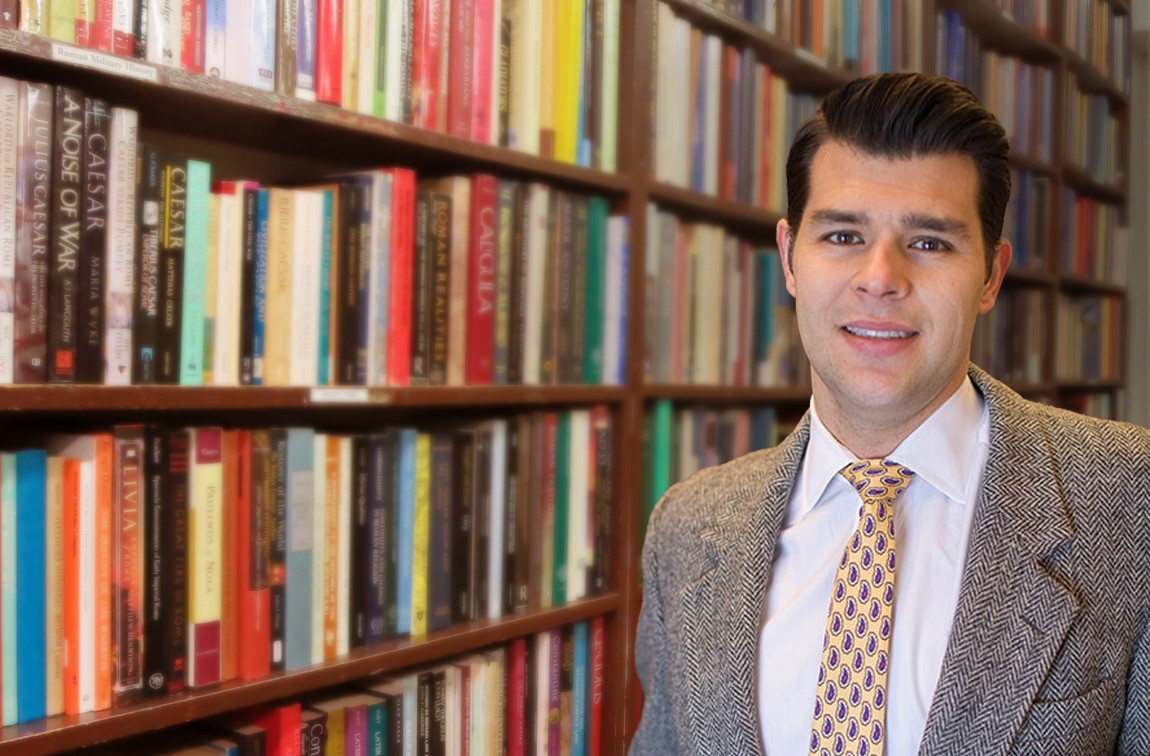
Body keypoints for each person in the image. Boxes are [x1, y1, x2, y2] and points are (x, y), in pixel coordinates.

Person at [629, 72, 1150, 756]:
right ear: (790, 258)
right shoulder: (687, 528)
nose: (880, 277)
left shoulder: (1130, 499)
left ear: (990, 275)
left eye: (930, 242)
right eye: (843, 235)